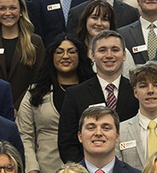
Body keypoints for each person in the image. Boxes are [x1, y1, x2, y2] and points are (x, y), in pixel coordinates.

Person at [19, 34, 91, 173]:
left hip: (86, 171)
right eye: (59, 52)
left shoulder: (92, 89)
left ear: (80, 55)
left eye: (71, 52)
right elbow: (25, 133)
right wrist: (31, 165)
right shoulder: (35, 92)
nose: (65, 56)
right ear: (51, 57)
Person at [57, 30, 139, 164]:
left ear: (124, 55)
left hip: (132, 171)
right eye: (102, 50)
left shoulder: (137, 91)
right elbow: (67, 143)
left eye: (115, 50)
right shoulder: (75, 94)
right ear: (92, 55)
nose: (109, 55)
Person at [0, 0, 45, 108]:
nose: (8, 13)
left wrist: (18, 107)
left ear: (21, 11)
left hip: (26, 109)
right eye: (2, 8)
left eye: (13, 8)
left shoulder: (35, 42)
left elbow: (39, 79)